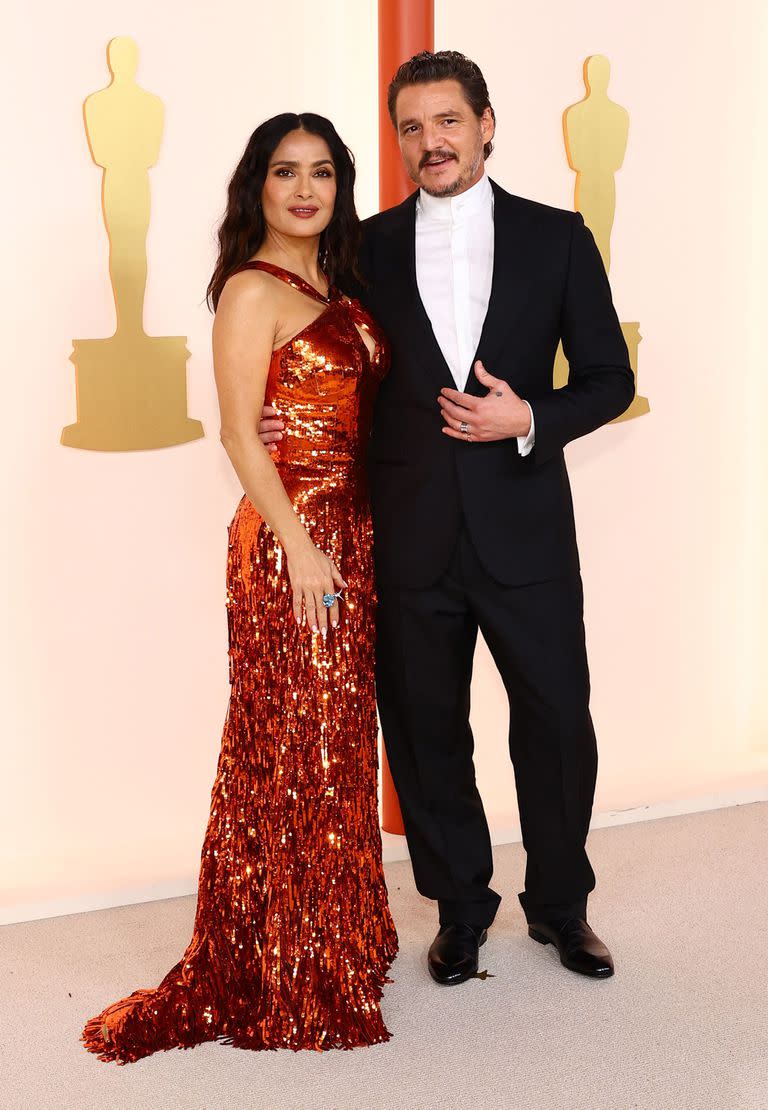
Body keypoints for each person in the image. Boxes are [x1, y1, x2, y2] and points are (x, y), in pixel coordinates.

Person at [260, 52, 635, 986]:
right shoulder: (364, 249)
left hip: (528, 533)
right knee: (427, 731)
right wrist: (282, 414)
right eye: (413, 128)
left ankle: (559, 907)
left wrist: (531, 418)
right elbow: (323, 357)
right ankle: (459, 908)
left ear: (487, 124)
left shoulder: (559, 238)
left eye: (449, 122)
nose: (432, 142)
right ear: (399, 144)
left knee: (555, 723)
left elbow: (610, 379)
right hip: (408, 531)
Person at [82, 113, 397, 1064]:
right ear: (255, 188)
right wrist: (301, 545)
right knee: (288, 746)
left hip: (350, 536)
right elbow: (238, 434)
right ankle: (282, 965)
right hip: (290, 544)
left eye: (323, 174)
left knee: (335, 744)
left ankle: (330, 943)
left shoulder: (336, 282)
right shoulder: (251, 292)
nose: (305, 190)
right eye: (284, 173)